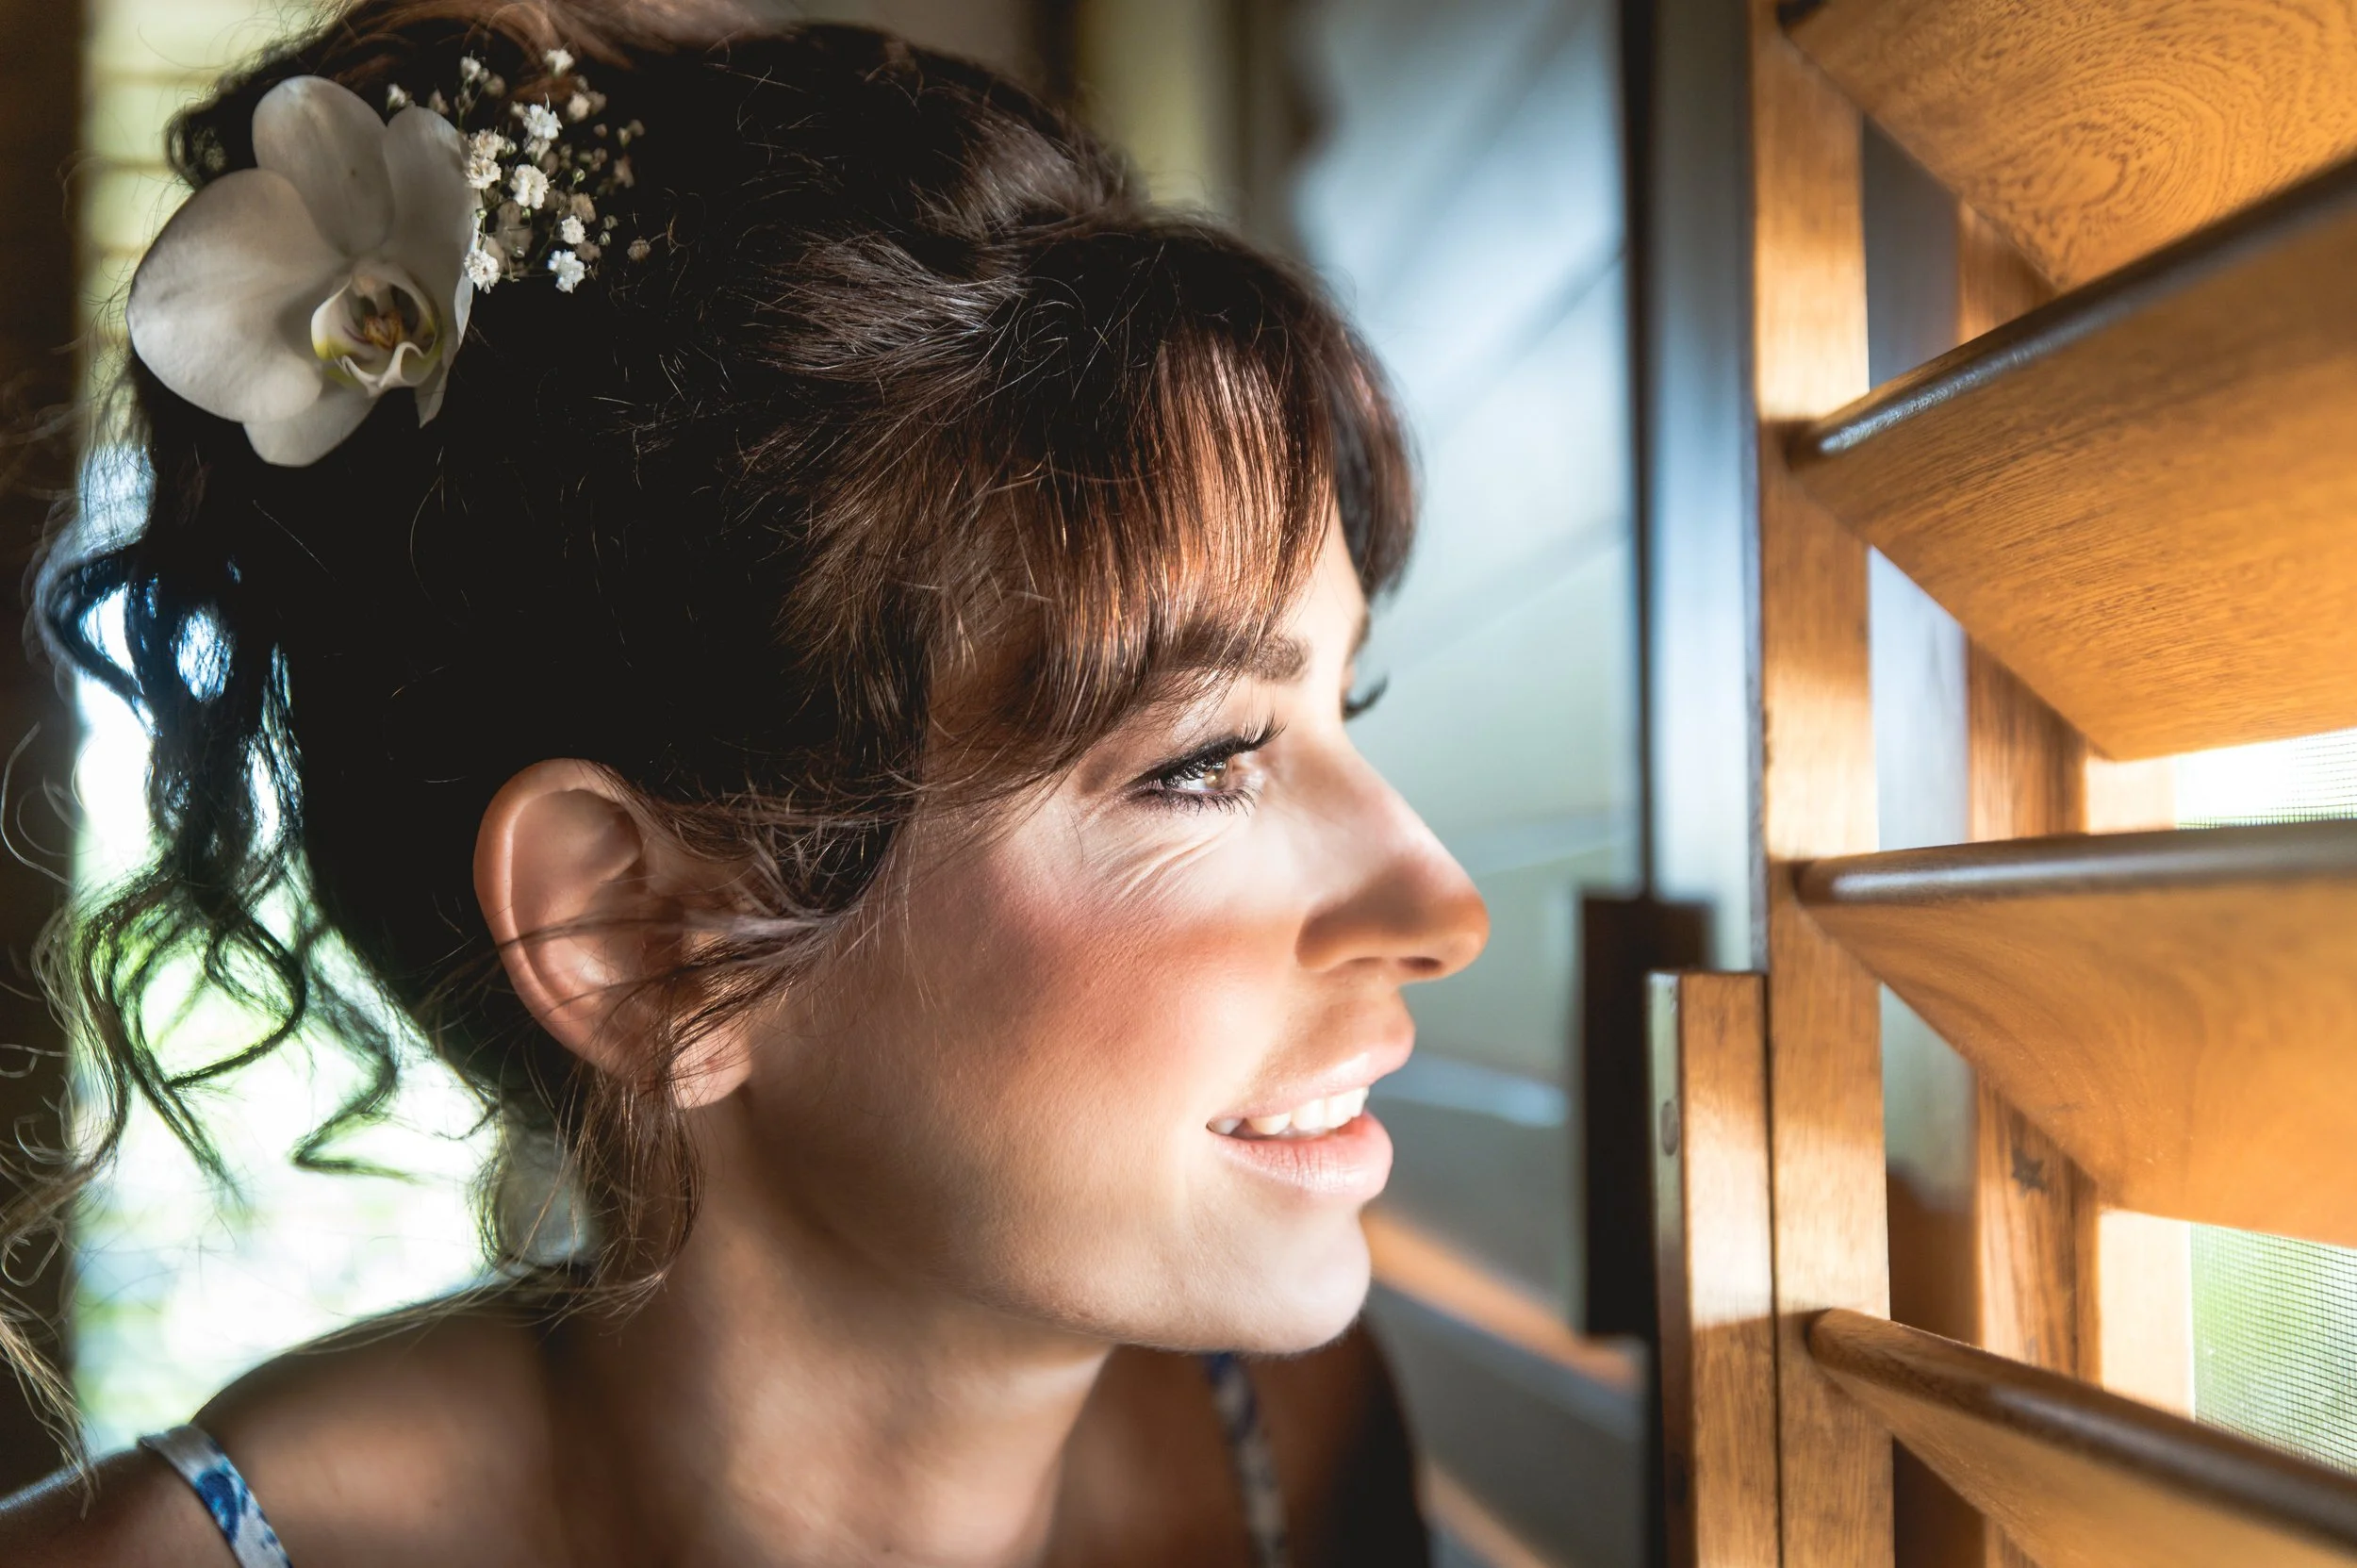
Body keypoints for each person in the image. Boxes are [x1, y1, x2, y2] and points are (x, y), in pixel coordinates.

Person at [0, 2, 1488, 1562]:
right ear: (639, 933)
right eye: (1202, 763)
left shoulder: (1294, 1464)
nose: (1439, 902)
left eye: (1345, 698)